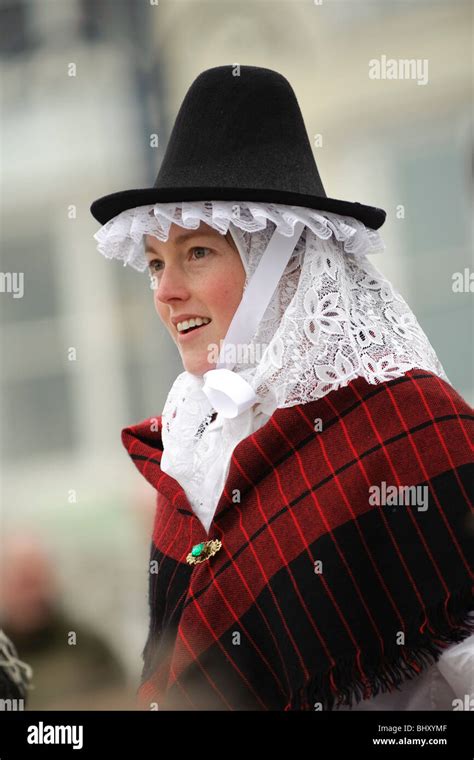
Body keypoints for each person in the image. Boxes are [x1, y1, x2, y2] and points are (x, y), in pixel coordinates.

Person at [90, 65, 473, 711]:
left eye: (198, 252)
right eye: (155, 262)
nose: (166, 290)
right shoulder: (194, 448)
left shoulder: (416, 426)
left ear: (283, 260)